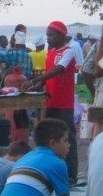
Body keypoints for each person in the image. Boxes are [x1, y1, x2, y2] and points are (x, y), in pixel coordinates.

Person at [25, 21, 79, 186]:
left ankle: (71, 175)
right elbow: (50, 76)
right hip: (50, 100)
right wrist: (39, 85)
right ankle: (52, 171)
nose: (48, 38)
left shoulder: (68, 52)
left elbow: (59, 69)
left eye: (51, 35)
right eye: (47, 34)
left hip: (63, 102)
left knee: (67, 137)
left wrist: (38, 79)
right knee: (49, 138)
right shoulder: (50, 53)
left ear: (62, 36)